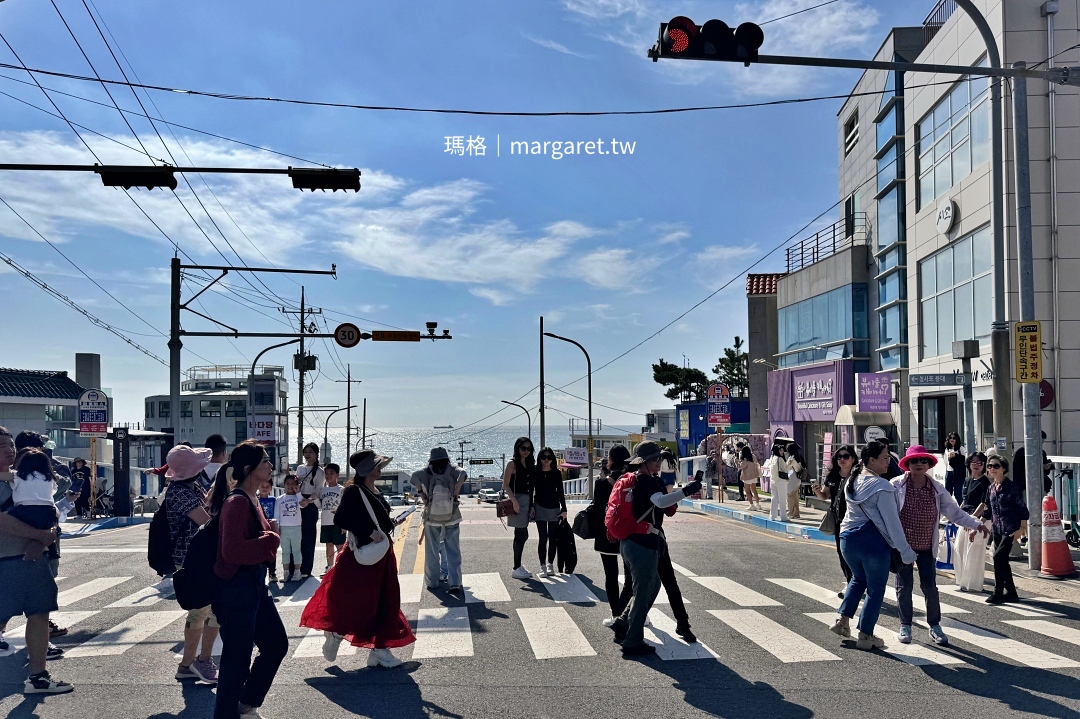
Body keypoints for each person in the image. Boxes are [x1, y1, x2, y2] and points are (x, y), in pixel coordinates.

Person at [303, 450, 415, 668]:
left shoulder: (373, 489)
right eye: (377, 465)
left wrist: (391, 522)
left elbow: (376, 519)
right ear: (367, 470)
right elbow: (342, 517)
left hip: (380, 552)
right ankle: (340, 633)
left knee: (384, 600)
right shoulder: (354, 490)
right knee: (362, 601)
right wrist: (369, 531)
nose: (380, 468)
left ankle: (379, 650)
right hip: (364, 553)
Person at [208, 440, 286, 719]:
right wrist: (271, 539)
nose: (270, 465)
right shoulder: (237, 502)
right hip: (236, 591)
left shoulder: (251, 498)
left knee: (276, 644)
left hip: (254, 588)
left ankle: (245, 703)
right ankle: (228, 713)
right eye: (265, 461)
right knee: (236, 661)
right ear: (248, 468)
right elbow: (231, 551)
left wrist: (267, 538)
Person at [608, 442, 702, 658]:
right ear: (644, 463)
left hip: (635, 541)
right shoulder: (645, 481)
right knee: (643, 592)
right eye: (654, 460)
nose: (658, 463)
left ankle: (623, 621)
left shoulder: (645, 480)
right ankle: (632, 641)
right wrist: (686, 491)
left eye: (659, 459)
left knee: (652, 585)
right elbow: (660, 502)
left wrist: (678, 493)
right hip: (642, 543)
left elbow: (664, 506)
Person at [891, 445, 988, 647]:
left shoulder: (935, 488)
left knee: (930, 587)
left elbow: (954, 512)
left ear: (928, 464)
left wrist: (975, 524)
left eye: (923, 461)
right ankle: (905, 625)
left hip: (927, 546)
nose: (919, 464)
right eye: (914, 461)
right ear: (907, 464)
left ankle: (934, 626)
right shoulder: (896, 486)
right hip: (903, 547)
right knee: (904, 586)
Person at [0, 426, 70, 694]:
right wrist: (40, 536)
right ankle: (38, 678)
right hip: (10, 560)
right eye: (2, 446)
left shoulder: (19, 479)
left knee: (39, 613)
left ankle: (39, 677)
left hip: (27, 559)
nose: (10, 450)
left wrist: (44, 536)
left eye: (11, 445)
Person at [831, 440, 916, 651]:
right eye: (885, 458)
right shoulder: (882, 486)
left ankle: (842, 620)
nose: (889, 462)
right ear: (872, 460)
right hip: (871, 542)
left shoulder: (854, 478)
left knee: (858, 579)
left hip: (847, 539)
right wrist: (905, 551)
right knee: (876, 588)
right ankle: (866, 634)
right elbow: (892, 524)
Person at [163, 444, 220, 684]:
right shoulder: (179, 492)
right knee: (201, 611)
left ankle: (198, 661)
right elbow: (205, 521)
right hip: (190, 557)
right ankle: (192, 663)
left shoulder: (189, 486)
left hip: (199, 555)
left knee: (211, 611)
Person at [411, 447, 466, 593]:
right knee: (453, 550)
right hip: (452, 515)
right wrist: (456, 490)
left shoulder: (426, 471)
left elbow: (413, 477)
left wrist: (422, 492)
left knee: (432, 551)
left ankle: (432, 582)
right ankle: (455, 582)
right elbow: (463, 474)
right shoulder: (452, 469)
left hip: (432, 516)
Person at [593, 445, 633, 626]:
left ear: (609, 462)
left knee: (611, 575)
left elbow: (597, 511)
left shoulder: (601, 484)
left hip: (606, 534)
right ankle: (628, 611)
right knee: (631, 577)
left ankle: (615, 613)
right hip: (629, 533)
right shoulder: (633, 481)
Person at [978, 454, 1026, 604]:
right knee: (1002, 560)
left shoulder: (1012, 487)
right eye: (990, 466)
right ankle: (1011, 592)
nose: (992, 469)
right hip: (997, 529)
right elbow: (988, 510)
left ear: (1004, 469)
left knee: (998, 558)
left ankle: (998, 592)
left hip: (1011, 529)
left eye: (996, 466)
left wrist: (1022, 529)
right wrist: (977, 524)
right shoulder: (991, 488)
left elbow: (1023, 509)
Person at [813, 444, 856, 598]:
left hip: (855, 521)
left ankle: (856, 582)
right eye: (839, 457)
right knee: (842, 553)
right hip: (839, 520)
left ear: (853, 459)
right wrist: (818, 492)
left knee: (855, 554)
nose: (842, 460)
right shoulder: (833, 476)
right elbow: (825, 496)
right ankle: (851, 581)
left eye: (846, 456)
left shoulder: (857, 475)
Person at [7, 449, 59, 561]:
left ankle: (32, 549)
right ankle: (52, 548)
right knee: (44, 528)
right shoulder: (49, 478)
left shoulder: (18, 475)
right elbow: (53, 491)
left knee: (6, 516)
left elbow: (4, 477)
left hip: (25, 510)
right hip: (48, 511)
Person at [502, 436, 536, 579]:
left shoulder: (530, 464)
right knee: (522, 534)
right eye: (523, 448)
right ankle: (516, 567)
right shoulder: (512, 464)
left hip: (528, 500)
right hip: (518, 499)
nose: (526, 451)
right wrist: (513, 500)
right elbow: (505, 484)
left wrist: (532, 504)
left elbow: (532, 486)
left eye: (529, 449)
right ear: (517, 448)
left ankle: (517, 566)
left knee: (520, 534)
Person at [533, 447, 567, 578]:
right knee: (543, 538)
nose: (546, 460)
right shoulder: (535, 472)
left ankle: (550, 564)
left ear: (553, 459)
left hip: (554, 508)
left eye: (549, 457)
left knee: (553, 538)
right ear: (540, 458)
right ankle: (542, 566)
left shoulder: (556, 473)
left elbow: (560, 493)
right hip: (539, 507)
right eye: (543, 457)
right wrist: (531, 506)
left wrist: (564, 509)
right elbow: (531, 491)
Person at [296, 443, 325, 579]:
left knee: (308, 537)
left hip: (311, 504)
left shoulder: (320, 472)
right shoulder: (300, 468)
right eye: (305, 452)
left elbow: (318, 491)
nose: (308, 454)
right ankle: (295, 567)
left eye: (311, 452)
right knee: (297, 537)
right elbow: (295, 485)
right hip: (298, 501)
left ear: (316, 454)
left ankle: (306, 568)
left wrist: (308, 501)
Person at [273, 476, 304, 581]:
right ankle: (286, 572)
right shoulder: (279, 499)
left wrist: (298, 493)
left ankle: (297, 572)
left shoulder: (298, 497)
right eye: (288, 483)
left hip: (296, 527)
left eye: (292, 483)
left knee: (296, 550)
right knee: (285, 551)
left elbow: (303, 505)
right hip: (284, 528)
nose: (290, 486)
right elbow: (277, 515)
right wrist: (277, 527)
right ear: (284, 484)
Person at [319, 463, 346, 575]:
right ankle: (330, 567)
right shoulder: (322, 490)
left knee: (340, 546)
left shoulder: (342, 489)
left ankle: (341, 566)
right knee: (328, 545)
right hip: (325, 522)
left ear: (337, 475)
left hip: (338, 522)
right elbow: (319, 504)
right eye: (327, 473)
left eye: (332, 473)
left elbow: (345, 507)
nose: (329, 476)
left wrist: (344, 524)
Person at [257, 476, 278, 582]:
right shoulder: (255, 499)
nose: (264, 488)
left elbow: (277, 513)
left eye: (267, 486)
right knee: (260, 550)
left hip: (271, 527)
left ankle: (272, 572)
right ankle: (261, 572)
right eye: (262, 486)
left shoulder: (274, 499)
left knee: (272, 550)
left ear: (271, 488)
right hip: (260, 527)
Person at [766, 443, 789, 522]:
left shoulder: (772, 458)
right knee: (782, 499)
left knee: (774, 498)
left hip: (773, 480)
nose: (782, 451)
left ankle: (772, 515)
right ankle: (783, 516)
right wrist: (789, 463)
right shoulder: (780, 459)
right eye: (781, 450)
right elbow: (785, 470)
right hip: (781, 481)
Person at [942, 433, 966, 507]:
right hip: (949, 472)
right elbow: (946, 462)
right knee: (947, 493)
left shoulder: (960, 448)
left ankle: (963, 510)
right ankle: (948, 511)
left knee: (958, 493)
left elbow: (964, 460)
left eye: (954, 438)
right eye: (950, 438)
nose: (952, 440)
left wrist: (955, 456)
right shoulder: (947, 449)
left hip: (958, 473)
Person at [737, 445, 762, 511]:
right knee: (754, 490)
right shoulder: (753, 457)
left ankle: (751, 505)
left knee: (747, 491)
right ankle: (758, 504)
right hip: (754, 476)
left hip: (747, 477)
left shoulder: (745, 459)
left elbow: (740, 467)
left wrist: (736, 462)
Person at [784, 442, 806, 519]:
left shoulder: (791, 459)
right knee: (795, 497)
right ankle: (796, 513)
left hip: (792, 479)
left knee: (790, 497)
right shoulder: (798, 457)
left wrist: (789, 464)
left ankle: (791, 512)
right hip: (797, 479)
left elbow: (790, 468)